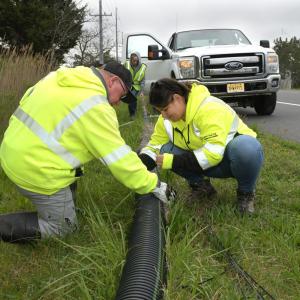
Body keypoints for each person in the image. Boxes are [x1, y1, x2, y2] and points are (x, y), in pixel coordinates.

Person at [0, 61, 169, 243]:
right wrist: (154, 185)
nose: (117, 103)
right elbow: (120, 160)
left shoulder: (59, 77)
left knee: (71, 172)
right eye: (122, 95)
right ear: (112, 81)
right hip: (35, 169)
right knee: (64, 229)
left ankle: (62, 207)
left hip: (12, 152)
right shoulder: (95, 105)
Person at [138, 78, 264, 214]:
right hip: (201, 162)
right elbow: (155, 145)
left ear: (177, 98)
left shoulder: (208, 109)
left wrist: (172, 161)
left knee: (247, 148)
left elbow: (213, 154)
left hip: (229, 160)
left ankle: (245, 193)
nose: (163, 115)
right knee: (164, 148)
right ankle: (202, 188)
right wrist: (138, 167)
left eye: (165, 109)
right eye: (159, 111)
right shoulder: (166, 120)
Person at [124, 51, 147, 118]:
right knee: (130, 100)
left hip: (137, 87)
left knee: (132, 98)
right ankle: (132, 112)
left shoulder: (142, 67)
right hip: (128, 85)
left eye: (135, 61)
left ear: (138, 60)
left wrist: (142, 90)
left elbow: (143, 80)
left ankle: (132, 114)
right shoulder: (127, 64)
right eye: (132, 60)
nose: (134, 62)